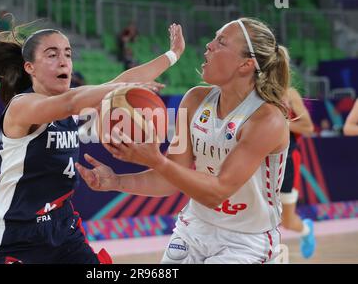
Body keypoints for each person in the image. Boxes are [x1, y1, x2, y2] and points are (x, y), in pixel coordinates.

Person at [77, 18, 291, 264]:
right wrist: (116, 181)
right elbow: (168, 181)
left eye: (221, 42)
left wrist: (157, 160)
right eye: (213, 38)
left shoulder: (266, 119)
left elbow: (217, 192)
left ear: (246, 64)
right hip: (195, 228)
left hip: (246, 240)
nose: (208, 45)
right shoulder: (194, 100)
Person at [0, 21, 182, 264]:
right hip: (17, 234)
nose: (63, 61)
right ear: (29, 67)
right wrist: (124, 89)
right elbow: (72, 101)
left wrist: (174, 54)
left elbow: (123, 78)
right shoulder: (22, 106)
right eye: (52, 55)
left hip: (62, 228)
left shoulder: (73, 104)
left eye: (68, 54)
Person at [280, 87, 316, 259]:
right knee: (262, 215)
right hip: (260, 158)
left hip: (288, 159)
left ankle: (306, 229)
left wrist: (280, 122)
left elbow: (308, 127)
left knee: (287, 221)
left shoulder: (289, 93)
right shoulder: (250, 91)